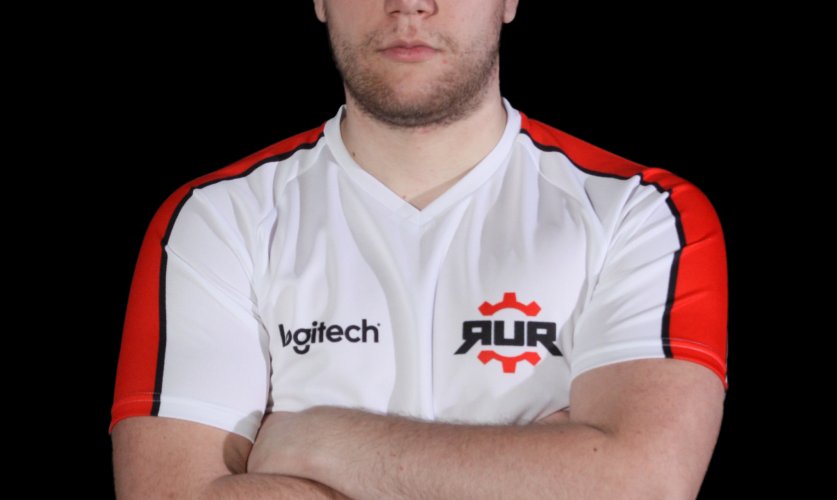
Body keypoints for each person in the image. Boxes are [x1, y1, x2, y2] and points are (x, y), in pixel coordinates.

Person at [111, 0, 728, 498]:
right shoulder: (215, 219)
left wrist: (316, 442)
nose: (408, 5)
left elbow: (644, 485)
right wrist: (537, 473)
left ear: (508, 1)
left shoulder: (641, 213)